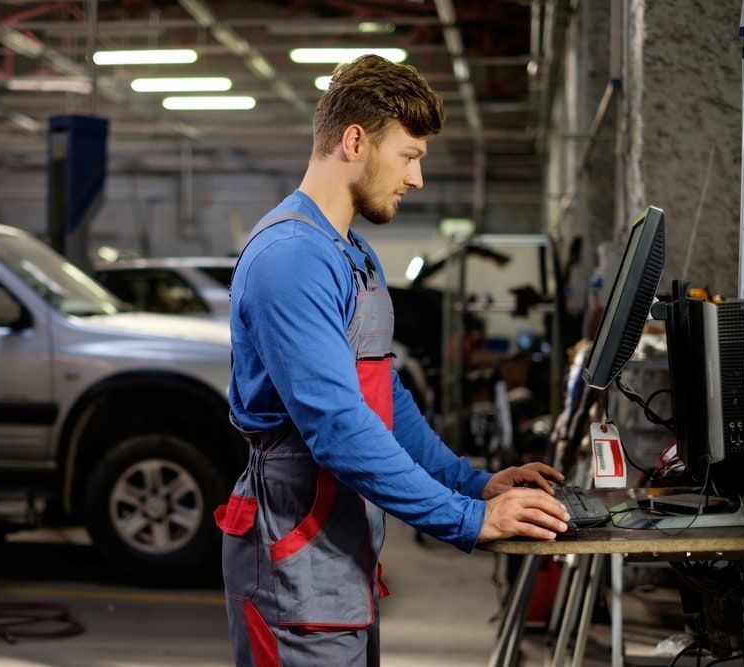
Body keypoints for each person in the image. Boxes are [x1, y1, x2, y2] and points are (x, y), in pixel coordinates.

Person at [213, 54, 571, 667]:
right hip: (291, 553)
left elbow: (384, 400)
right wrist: (465, 519)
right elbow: (338, 429)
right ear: (355, 141)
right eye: (408, 156)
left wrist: (473, 483)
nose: (417, 178)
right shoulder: (291, 258)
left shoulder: (353, 254)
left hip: (341, 552)